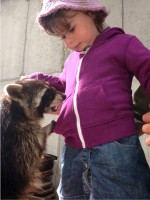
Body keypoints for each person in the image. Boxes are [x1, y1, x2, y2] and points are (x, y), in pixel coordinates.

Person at [25, 0, 150, 199]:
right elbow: (64, 86)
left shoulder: (122, 43)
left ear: (90, 12)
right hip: (72, 150)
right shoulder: (71, 60)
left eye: (71, 29)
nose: (69, 42)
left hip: (113, 148)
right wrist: (41, 79)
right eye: (62, 37)